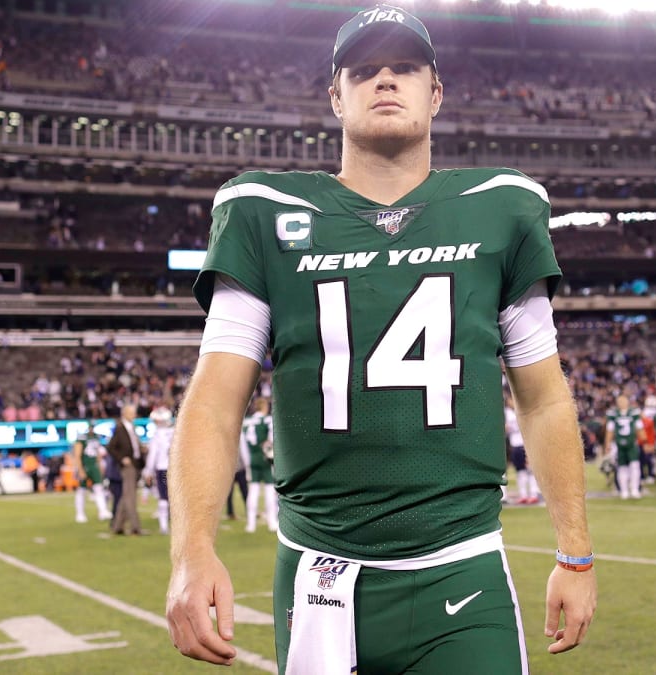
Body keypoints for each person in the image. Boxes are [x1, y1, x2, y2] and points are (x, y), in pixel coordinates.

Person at [166, 6, 597, 672]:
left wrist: (575, 550)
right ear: (336, 95)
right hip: (318, 577)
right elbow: (215, 403)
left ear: (436, 91)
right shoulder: (262, 213)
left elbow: (543, 398)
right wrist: (192, 551)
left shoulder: (502, 207)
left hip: (464, 567)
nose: (386, 80)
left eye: (406, 68)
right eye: (364, 70)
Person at [107, 403, 145, 535]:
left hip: (135, 464)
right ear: (125, 413)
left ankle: (118, 526)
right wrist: (122, 458)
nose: (134, 414)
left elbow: (133, 445)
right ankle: (135, 527)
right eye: (132, 412)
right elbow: (111, 447)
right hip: (128, 466)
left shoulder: (131, 427)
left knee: (125, 496)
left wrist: (142, 449)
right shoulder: (120, 428)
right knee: (130, 497)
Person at [241, 398, 278, 532]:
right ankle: (272, 521)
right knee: (269, 491)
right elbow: (272, 441)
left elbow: (243, 445)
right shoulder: (268, 420)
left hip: (252, 459)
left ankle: (251, 524)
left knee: (253, 491)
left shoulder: (246, 422)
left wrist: (247, 462)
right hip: (266, 459)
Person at [606, 394, 645, 500]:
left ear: (628, 401)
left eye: (623, 401)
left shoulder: (634, 412)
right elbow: (610, 430)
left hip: (632, 444)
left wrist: (646, 442)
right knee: (622, 468)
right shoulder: (613, 414)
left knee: (635, 466)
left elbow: (640, 428)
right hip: (619, 445)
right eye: (620, 401)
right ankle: (624, 490)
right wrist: (607, 444)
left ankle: (635, 489)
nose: (622, 403)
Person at [145, 407, 175, 535]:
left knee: (163, 497)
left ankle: (164, 526)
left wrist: (148, 471)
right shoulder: (175, 432)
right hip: (175, 469)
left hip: (163, 468)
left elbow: (153, 455)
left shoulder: (157, 435)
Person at [73, 434, 111, 524]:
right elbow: (77, 455)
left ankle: (103, 510)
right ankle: (80, 513)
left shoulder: (95, 438)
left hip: (94, 466)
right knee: (82, 490)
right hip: (85, 465)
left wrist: (99, 465)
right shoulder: (81, 438)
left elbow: (97, 453)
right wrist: (80, 469)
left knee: (99, 488)